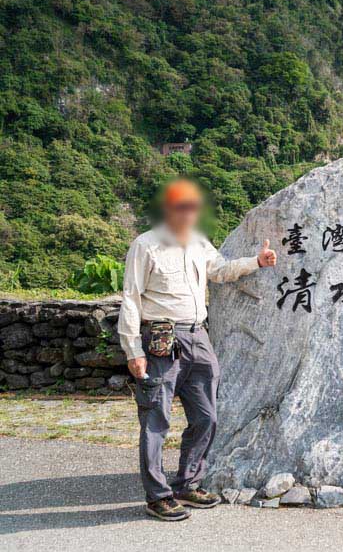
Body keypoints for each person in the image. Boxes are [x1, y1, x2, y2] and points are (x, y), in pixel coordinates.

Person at [118, 178, 276, 521]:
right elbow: (130, 298)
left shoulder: (198, 242)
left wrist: (257, 262)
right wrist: (133, 349)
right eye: (181, 207)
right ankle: (157, 496)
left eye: (193, 207)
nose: (188, 213)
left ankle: (187, 483)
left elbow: (220, 271)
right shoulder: (145, 246)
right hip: (161, 339)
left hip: (198, 336)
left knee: (206, 415)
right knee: (156, 419)